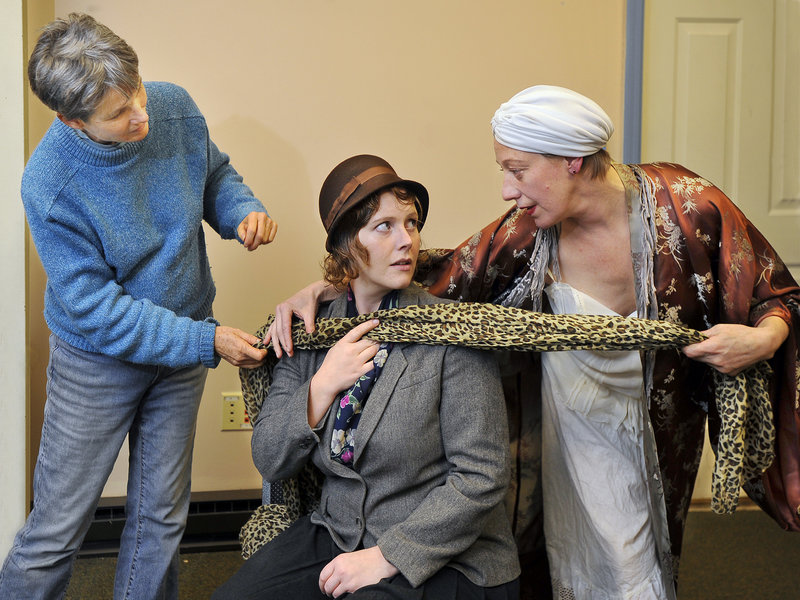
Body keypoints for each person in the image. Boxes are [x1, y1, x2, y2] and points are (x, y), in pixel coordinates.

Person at [267, 86, 800, 599]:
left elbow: (776, 291)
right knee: (564, 553)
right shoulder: (527, 231)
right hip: (563, 426)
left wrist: (764, 338)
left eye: (516, 170)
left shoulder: (688, 206)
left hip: (656, 427)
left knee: (642, 560)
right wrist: (331, 284)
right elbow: (437, 278)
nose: (507, 189)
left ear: (570, 160)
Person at [0, 13, 277, 600]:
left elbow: (215, 174)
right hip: (96, 363)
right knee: (56, 531)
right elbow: (100, 311)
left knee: (162, 521)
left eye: (139, 93)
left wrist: (239, 210)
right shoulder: (49, 185)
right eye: (118, 113)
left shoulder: (173, 108)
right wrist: (208, 341)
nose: (142, 117)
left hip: (179, 352)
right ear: (70, 120)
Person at [213, 154, 520, 599]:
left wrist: (387, 556)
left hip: (449, 554)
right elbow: (269, 457)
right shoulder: (312, 330)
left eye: (411, 223)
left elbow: (482, 476)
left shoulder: (451, 331)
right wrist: (320, 387)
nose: (406, 241)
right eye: (384, 227)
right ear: (345, 246)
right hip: (338, 533)